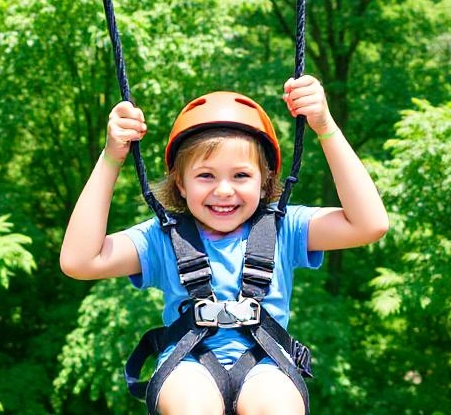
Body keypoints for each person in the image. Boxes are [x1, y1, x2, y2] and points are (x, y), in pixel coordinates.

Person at [60, 75, 389, 415]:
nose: (223, 191)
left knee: (277, 405)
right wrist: (112, 157)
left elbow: (370, 224)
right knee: (193, 405)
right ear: (181, 184)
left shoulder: (284, 227)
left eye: (241, 176)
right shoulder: (161, 238)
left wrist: (325, 127)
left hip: (266, 366)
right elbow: (79, 260)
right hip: (189, 365)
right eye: (205, 176)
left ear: (266, 183)